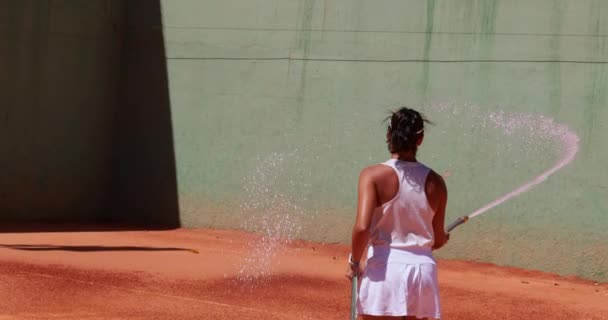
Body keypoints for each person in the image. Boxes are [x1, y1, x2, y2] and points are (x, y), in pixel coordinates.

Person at [346, 107, 449, 320]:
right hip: (423, 275)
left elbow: (362, 227)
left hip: (384, 271)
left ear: (388, 135)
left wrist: (354, 262)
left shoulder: (372, 175)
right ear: (420, 139)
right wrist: (442, 237)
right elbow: (436, 240)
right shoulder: (437, 182)